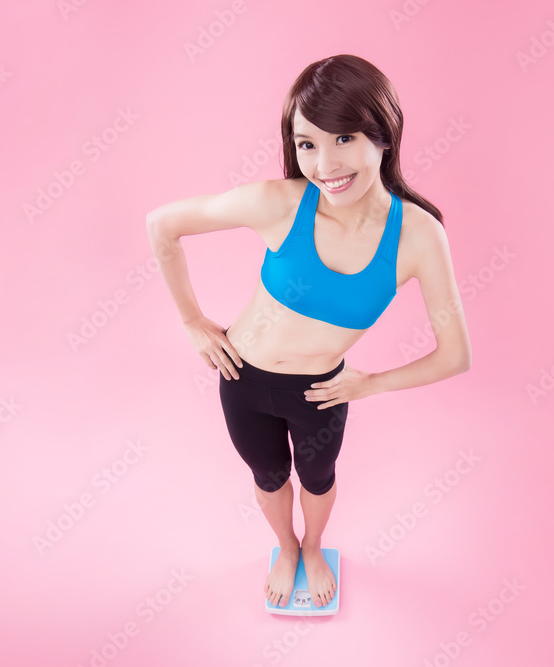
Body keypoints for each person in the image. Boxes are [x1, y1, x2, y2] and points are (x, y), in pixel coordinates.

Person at [145, 54, 471, 609]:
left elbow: (455, 356)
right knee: (269, 478)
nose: (325, 164)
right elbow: (163, 225)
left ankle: (314, 547)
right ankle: (287, 547)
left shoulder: (418, 235)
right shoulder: (279, 203)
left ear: (383, 137)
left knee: (317, 480)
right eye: (307, 144)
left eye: (344, 139)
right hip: (242, 377)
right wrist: (194, 323)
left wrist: (368, 384)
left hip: (320, 391)